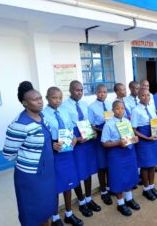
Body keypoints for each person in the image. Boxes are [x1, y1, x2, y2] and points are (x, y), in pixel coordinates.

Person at [3, 81, 56, 226]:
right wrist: (29, 158)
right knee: (32, 211)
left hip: (47, 173)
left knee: (47, 207)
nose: (39, 102)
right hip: (30, 177)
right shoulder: (19, 125)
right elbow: (8, 154)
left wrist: (53, 146)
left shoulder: (42, 117)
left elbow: (44, 141)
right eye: (35, 100)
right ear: (24, 103)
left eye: (40, 98)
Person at [42, 87, 83, 226]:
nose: (57, 100)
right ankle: (55, 218)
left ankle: (69, 214)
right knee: (55, 186)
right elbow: (42, 136)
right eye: (54, 97)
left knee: (68, 183)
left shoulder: (64, 111)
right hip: (54, 152)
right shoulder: (43, 114)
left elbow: (70, 128)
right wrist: (51, 145)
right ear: (47, 97)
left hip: (67, 151)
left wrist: (74, 138)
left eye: (60, 97)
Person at [61, 81, 101, 218]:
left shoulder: (85, 105)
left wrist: (94, 133)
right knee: (78, 172)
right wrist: (76, 139)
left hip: (88, 141)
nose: (80, 92)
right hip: (75, 142)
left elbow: (89, 123)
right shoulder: (64, 107)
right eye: (77, 90)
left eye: (81, 90)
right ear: (70, 90)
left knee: (88, 170)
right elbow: (65, 126)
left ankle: (89, 198)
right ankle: (82, 201)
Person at [101, 100, 140, 216]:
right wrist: (118, 143)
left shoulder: (127, 121)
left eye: (122, 108)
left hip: (129, 152)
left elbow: (131, 136)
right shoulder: (108, 124)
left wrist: (135, 139)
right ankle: (120, 203)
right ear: (112, 110)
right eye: (117, 108)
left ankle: (129, 198)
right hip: (116, 154)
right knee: (119, 178)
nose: (120, 111)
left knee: (129, 175)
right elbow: (104, 143)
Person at [131, 88, 157, 201]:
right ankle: (146, 189)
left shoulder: (151, 107)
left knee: (152, 164)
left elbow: (155, 122)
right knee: (145, 165)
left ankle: (152, 186)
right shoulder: (136, 110)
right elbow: (133, 129)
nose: (146, 97)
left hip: (153, 138)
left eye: (148, 95)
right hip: (144, 140)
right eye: (143, 95)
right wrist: (146, 138)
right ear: (138, 97)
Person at [88, 84, 113, 205]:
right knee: (101, 165)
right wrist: (101, 130)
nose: (102, 94)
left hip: (111, 137)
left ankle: (110, 187)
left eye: (104, 92)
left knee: (109, 163)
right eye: (100, 92)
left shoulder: (110, 104)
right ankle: (103, 191)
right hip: (100, 137)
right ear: (96, 93)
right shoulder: (91, 107)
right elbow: (91, 125)